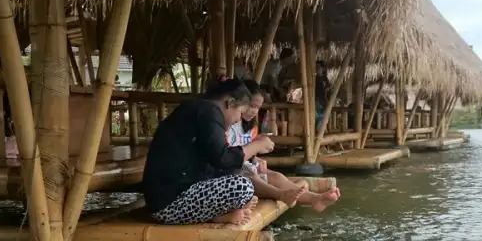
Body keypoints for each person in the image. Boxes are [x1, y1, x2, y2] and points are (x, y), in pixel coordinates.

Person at [142, 78, 275, 226]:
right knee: (242, 187)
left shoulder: (202, 109)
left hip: (169, 197)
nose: (239, 119)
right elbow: (223, 158)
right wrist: (256, 146)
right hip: (168, 204)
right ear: (230, 103)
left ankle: (219, 213)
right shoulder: (208, 112)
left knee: (238, 174)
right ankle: (216, 216)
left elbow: (220, 164)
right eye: (240, 112)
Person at [227, 80, 341, 211]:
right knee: (253, 178)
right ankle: (283, 195)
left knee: (277, 177)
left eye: (258, 108)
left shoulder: (250, 126)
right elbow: (228, 155)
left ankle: (314, 198)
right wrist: (255, 148)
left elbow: (244, 151)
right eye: (252, 106)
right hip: (233, 172)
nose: (254, 111)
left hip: (245, 167)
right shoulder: (229, 124)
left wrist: (254, 157)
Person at [315, 61, 332, 129]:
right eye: (316, 67)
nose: (316, 68)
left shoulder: (326, 79)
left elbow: (329, 93)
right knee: (317, 120)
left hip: (324, 103)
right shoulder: (314, 79)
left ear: (323, 68)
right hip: (317, 103)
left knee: (322, 121)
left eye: (318, 67)